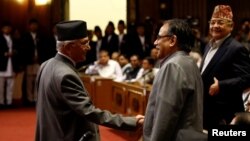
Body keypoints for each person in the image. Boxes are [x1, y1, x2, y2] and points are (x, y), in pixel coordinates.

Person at [35, 20, 144, 141]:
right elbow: (89, 112)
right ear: (69, 47)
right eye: (84, 43)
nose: (88, 47)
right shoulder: (66, 75)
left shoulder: (45, 65)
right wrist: (131, 121)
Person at [143, 19, 205, 141]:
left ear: (172, 40)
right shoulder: (189, 62)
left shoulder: (173, 66)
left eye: (159, 37)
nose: (155, 42)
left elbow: (165, 117)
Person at [200, 5, 250, 130]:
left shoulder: (237, 48)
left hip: (226, 114)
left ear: (231, 26)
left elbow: (247, 78)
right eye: (213, 22)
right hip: (207, 111)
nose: (215, 25)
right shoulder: (208, 45)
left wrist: (221, 85)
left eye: (220, 22)